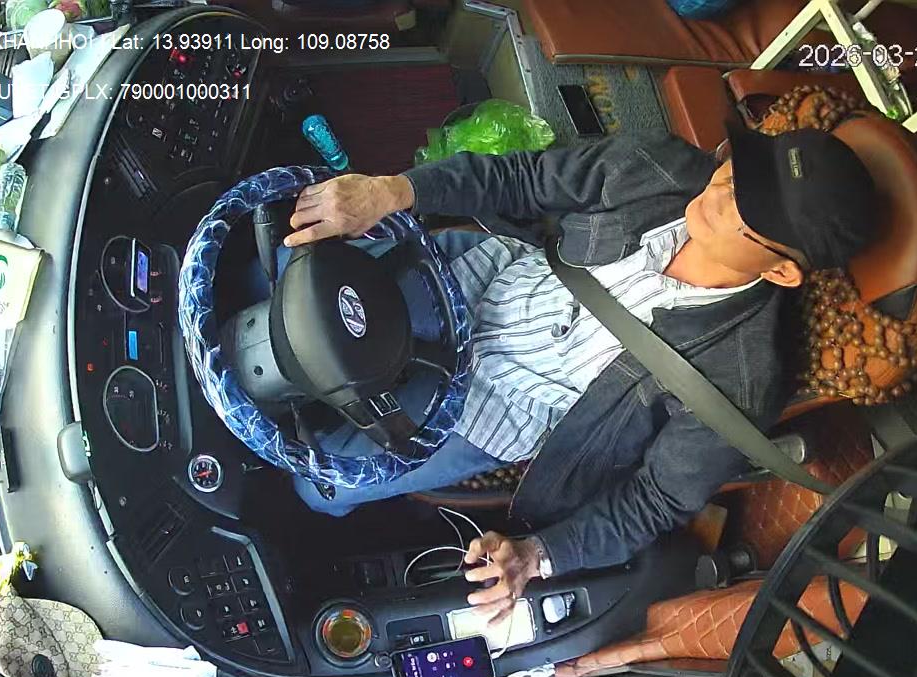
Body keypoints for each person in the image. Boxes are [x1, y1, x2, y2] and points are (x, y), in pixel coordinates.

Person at [285, 123, 878, 624]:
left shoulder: (738, 380)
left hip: (496, 408)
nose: (722, 192)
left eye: (750, 211)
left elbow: (656, 498)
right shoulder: (659, 166)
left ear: (779, 272)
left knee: (317, 483)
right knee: (286, 273)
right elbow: (525, 178)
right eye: (741, 171)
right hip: (476, 282)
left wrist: (535, 556)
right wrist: (392, 190)